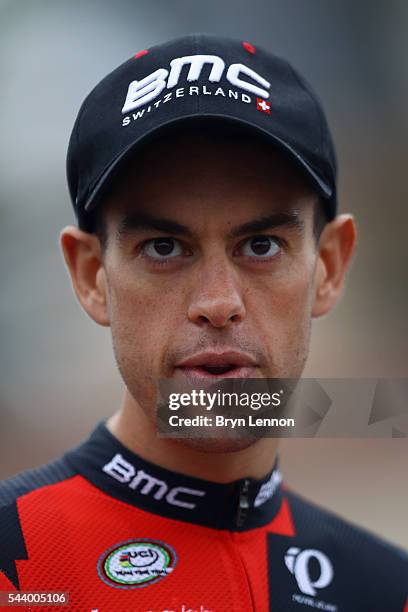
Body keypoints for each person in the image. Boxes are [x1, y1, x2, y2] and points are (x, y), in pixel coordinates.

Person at [0, 34, 406, 612]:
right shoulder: (12, 564)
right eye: (165, 247)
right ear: (92, 277)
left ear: (330, 266)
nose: (218, 303)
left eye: (260, 245)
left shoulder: (387, 591)